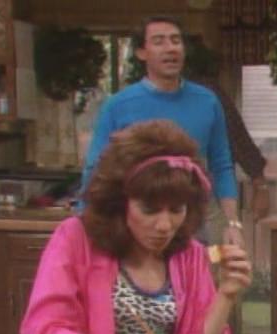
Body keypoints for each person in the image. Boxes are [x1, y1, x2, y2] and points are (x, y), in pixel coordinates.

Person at [21, 120, 252, 334]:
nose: (164, 225)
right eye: (149, 210)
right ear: (120, 203)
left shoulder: (189, 254)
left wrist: (225, 295)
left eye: (176, 210)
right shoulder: (76, 239)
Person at [81, 15, 244, 246]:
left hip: (193, 222)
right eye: (159, 41)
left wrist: (232, 223)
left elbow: (222, 165)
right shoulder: (118, 105)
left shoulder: (207, 101)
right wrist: (85, 223)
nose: (170, 48)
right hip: (137, 225)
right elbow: (95, 169)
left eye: (175, 40)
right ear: (141, 53)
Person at [183, 34, 270, 222]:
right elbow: (237, 136)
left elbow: (236, 136)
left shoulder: (206, 94)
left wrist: (260, 185)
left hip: (206, 198)